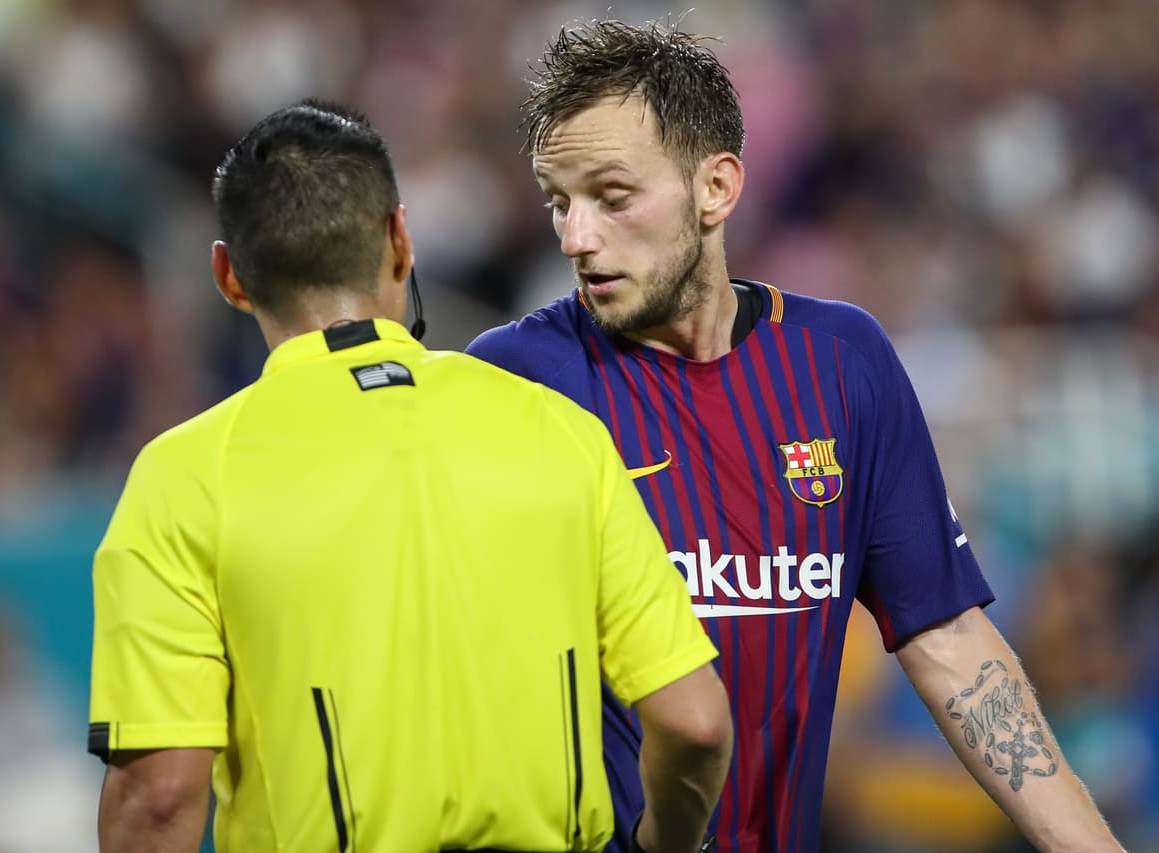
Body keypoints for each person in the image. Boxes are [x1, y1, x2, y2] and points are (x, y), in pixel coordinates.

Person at [466, 19, 1124, 853]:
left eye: (612, 195)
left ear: (717, 187)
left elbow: (947, 636)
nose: (576, 236)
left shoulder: (843, 366)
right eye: (560, 202)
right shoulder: (516, 378)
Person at [87, 99, 733, 853]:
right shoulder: (558, 431)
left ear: (229, 275)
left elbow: (160, 797)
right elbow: (695, 721)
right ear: (400, 239)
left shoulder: (184, 477)